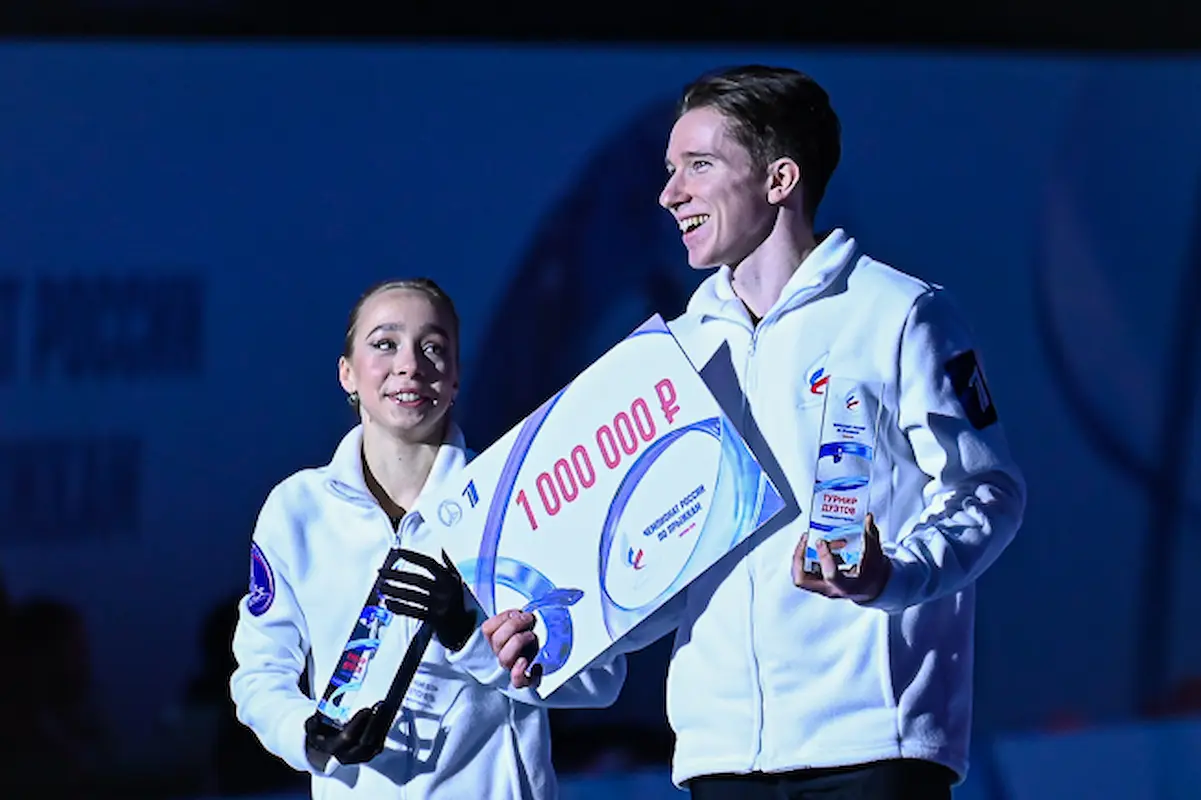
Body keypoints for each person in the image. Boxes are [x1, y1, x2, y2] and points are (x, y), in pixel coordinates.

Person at [495, 64, 1028, 798]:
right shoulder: (670, 357)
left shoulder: (897, 313)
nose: (669, 192)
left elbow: (986, 493)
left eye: (698, 166)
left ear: (779, 179)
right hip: (721, 759)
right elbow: (650, 570)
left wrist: (889, 576)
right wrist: (556, 646)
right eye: (668, 169)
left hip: (872, 747)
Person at [229, 277, 626, 799]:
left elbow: (600, 681)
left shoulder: (513, 500)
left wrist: (470, 634)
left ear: (456, 376)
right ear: (346, 373)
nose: (410, 365)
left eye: (433, 347)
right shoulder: (298, 511)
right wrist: (309, 735)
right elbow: (260, 674)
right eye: (385, 344)